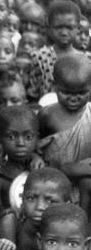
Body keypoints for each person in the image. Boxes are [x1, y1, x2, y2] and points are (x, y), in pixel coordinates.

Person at [38, 54, 91, 212]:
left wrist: (74, 169)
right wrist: (35, 157)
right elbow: (35, 143)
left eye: (81, 93)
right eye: (66, 92)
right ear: (55, 87)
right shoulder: (47, 115)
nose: (73, 98)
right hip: (53, 183)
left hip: (85, 183)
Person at [0, 168, 72, 250]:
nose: (39, 207)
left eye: (50, 201)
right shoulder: (11, 222)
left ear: (66, 205)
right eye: (31, 198)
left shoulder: (70, 230)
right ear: (22, 199)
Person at [27, 1, 85, 101]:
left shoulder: (86, 59)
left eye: (69, 27)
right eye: (58, 27)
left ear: (78, 28)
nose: (64, 32)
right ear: (48, 28)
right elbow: (33, 93)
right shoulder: (39, 57)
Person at [0, 106, 40, 208]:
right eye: (11, 137)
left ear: (37, 138)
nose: (20, 143)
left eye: (28, 137)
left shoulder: (42, 169)